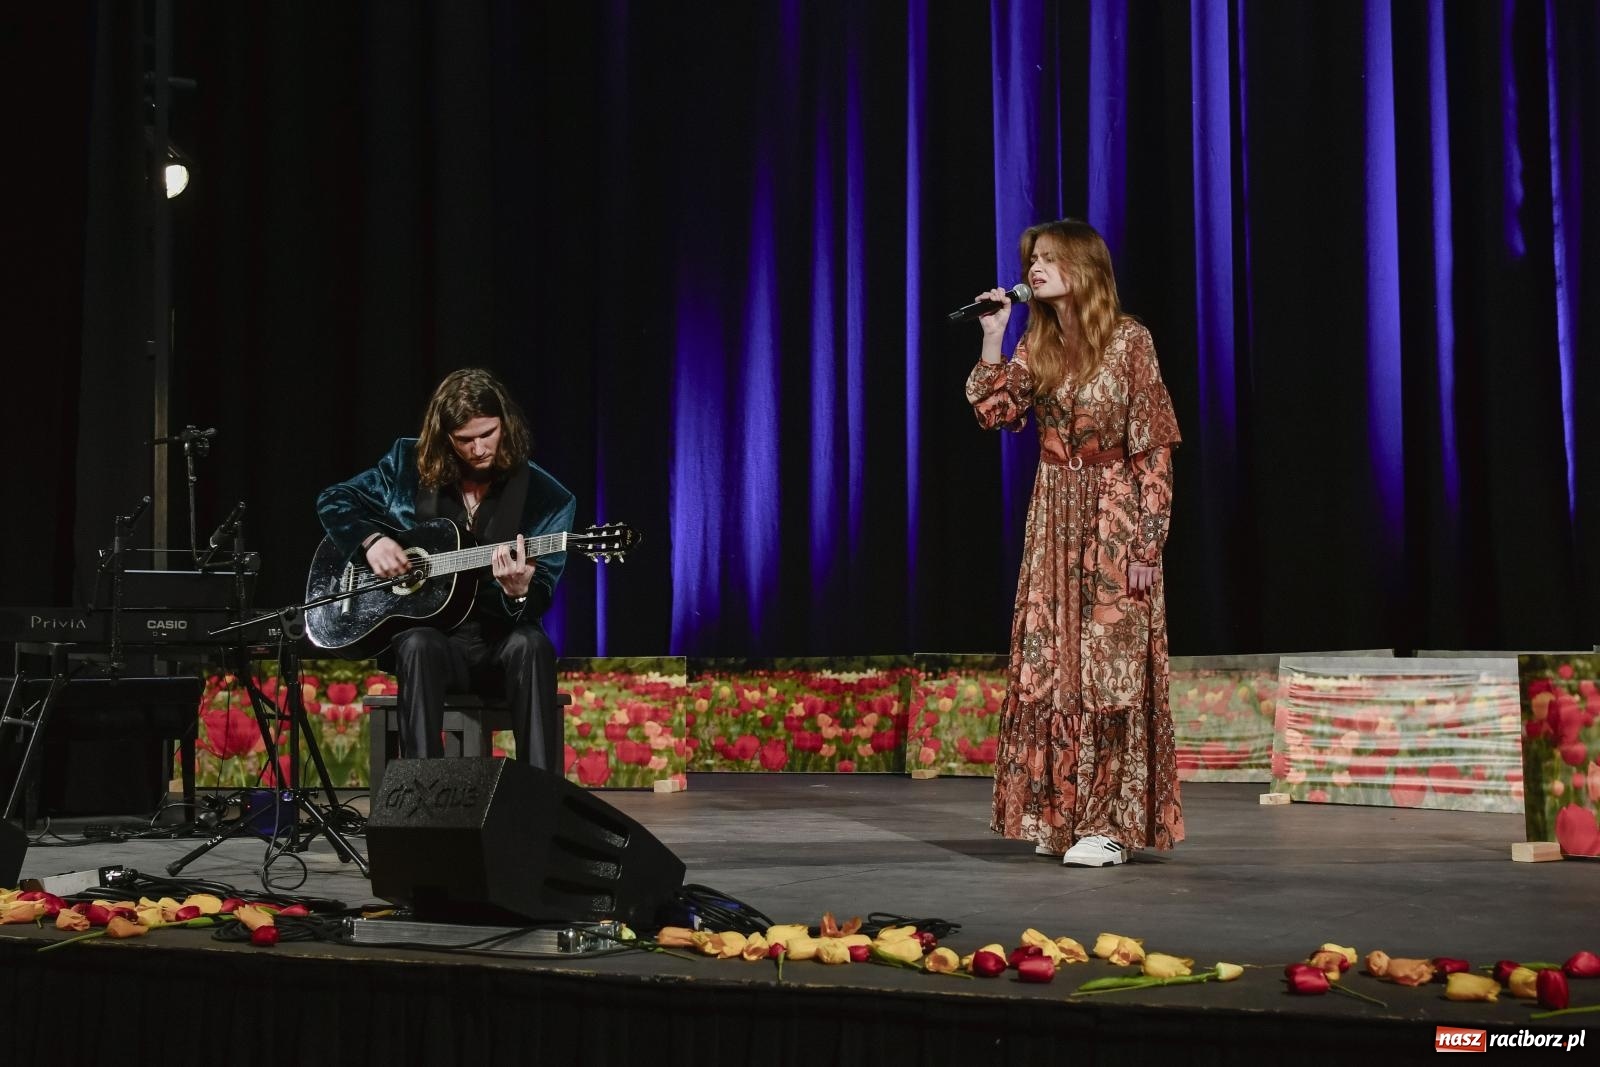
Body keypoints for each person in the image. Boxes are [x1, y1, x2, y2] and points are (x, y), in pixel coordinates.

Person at [965, 218, 1183, 867]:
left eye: (1050, 259)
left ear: (1084, 268)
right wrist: (992, 334)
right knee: (1053, 665)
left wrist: (1147, 543)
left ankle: (1108, 822)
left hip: (1115, 514)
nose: (1034, 269)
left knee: (1108, 668)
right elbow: (994, 410)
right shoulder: (1040, 343)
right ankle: (1060, 812)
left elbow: (1154, 448)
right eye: (1033, 259)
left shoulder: (1130, 341)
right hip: (1054, 514)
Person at [317, 367, 577, 771]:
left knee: (533, 644)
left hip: (498, 646)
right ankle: (424, 795)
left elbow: (540, 591)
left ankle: (541, 800)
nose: (477, 449)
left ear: (504, 424)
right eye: (464, 440)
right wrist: (371, 542)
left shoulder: (547, 497)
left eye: (487, 434)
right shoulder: (407, 462)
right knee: (417, 643)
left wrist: (518, 592)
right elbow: (333, 500)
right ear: (444, 438)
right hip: (435, 645)